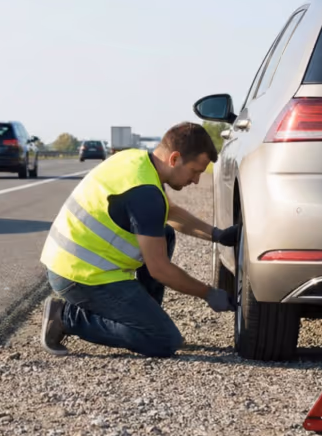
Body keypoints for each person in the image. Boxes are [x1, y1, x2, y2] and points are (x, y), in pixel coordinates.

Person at [38, 122, 238, 358]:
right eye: (195, 171)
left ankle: (144, 316)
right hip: (79, 277)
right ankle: (66, 317)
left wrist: (216, 234)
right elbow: (160, 270)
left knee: (164, 232)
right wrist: (208, 293)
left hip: (71, 263)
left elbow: (169, 212)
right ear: (174, 159)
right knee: (163, 340)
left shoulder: (136, 161)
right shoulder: (145, 194)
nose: (196, 180)